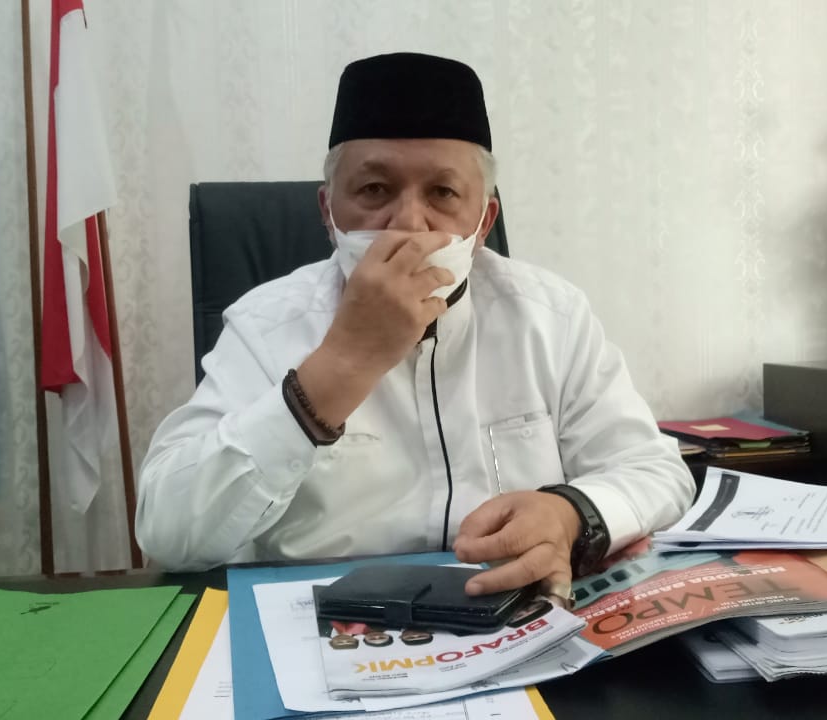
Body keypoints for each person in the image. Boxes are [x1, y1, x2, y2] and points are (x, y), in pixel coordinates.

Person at [136, 52, 694, 604]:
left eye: (443, 194)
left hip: (512, 613)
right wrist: (338, 369)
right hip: (322, 619)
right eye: (374, 190)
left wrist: (571, 513)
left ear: (484, 221)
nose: (407, 224)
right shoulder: (265, 326)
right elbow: (167, 529)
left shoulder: (551, 317)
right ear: (328, 212)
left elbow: (656, 471)